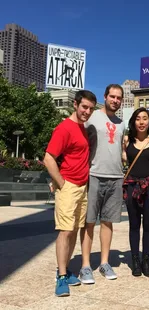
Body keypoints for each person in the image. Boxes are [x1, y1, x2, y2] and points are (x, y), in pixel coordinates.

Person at [44, 90, 97, 296]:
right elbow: (49, 158)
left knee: (74, 229)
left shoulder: (82, 128)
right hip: (69, 187)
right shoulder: (64, 128)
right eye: (84, 107)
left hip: (82, 187)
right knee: (65, 231)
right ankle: (61, 277)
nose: (87, 111)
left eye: (91, 109)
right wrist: (61, 183)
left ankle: (64, 269)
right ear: (75, 105)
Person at [79, 84, 125, 284]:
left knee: (107, 221)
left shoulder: (122, 123)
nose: (115, 100)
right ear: (105, 97)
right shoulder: (92, 116)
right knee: (89, 222)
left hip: (115, 177)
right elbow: (79, 142)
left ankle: (104, 262)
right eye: (112, 96)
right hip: (94, 174)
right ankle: (85, 266)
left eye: (119, 98)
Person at [123, 107, 149, 277]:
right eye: (138, 118)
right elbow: (122, 160)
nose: (142, 122)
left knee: (147, 226)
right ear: (133, 122)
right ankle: (135, 260)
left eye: (145, 118)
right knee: (134, 225)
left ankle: (146, 260)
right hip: (131, 186)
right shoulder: (126, 140)